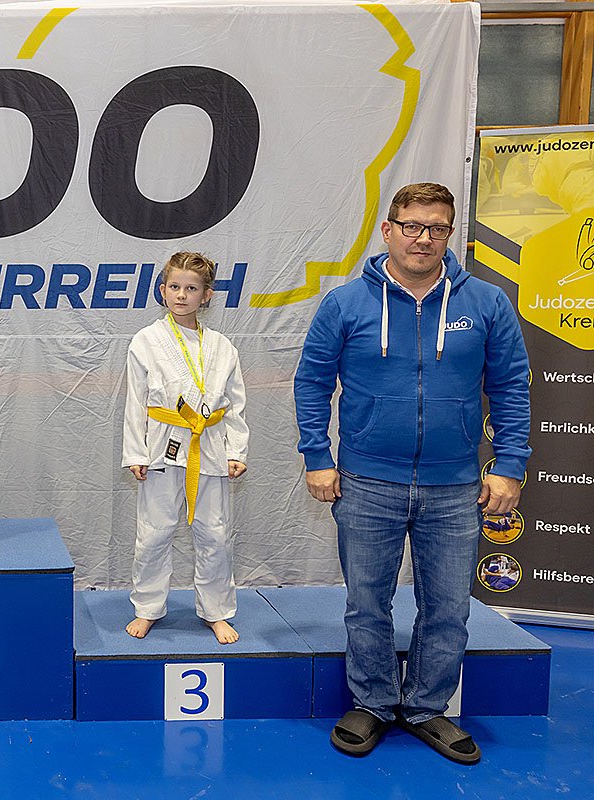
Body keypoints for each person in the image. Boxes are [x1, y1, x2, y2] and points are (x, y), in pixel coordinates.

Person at [294, 182, 530, 764]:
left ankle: (427, 708)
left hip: (455, 487)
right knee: (366, 603)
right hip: (367, 481)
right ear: (388, 230)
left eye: (437, 228)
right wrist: (317, 456)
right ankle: (373, 702)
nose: (424, 238)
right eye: (412, 226)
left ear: (450, 234)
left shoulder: (487, 303)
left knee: (448, 607)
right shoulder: (345, 304)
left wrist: (510, 465)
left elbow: (510, 388)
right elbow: (312, 383)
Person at [122, 252, 249, 644]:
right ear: (163, 290)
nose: (181, 295)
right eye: (174, 287)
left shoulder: (223, 347)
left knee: (215, 534)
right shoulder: (146, 341)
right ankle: (147, 607)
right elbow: (135, 402)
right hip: (161, 447)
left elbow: (234, 405)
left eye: (191, 288)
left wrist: (237, 451)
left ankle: (216, 611)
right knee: (154, 533)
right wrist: (136, 453)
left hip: (209, 447)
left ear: (206, 295)